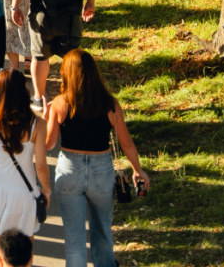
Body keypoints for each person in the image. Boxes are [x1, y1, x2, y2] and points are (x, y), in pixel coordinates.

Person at [45, 49, 149, 267]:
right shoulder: (110, 104)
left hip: (69, 169)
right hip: (101, 170)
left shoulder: (60, 104)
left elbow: (48, 144)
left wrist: (46, 117)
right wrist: (138, 170)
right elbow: (126, 143)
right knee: (102, 230)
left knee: (74, 237)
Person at [0, 69, 50, 258]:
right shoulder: (37, 124)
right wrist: (46, 190)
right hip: (25, 193)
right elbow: (40, 165)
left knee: (1, 252)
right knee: (25, 254)